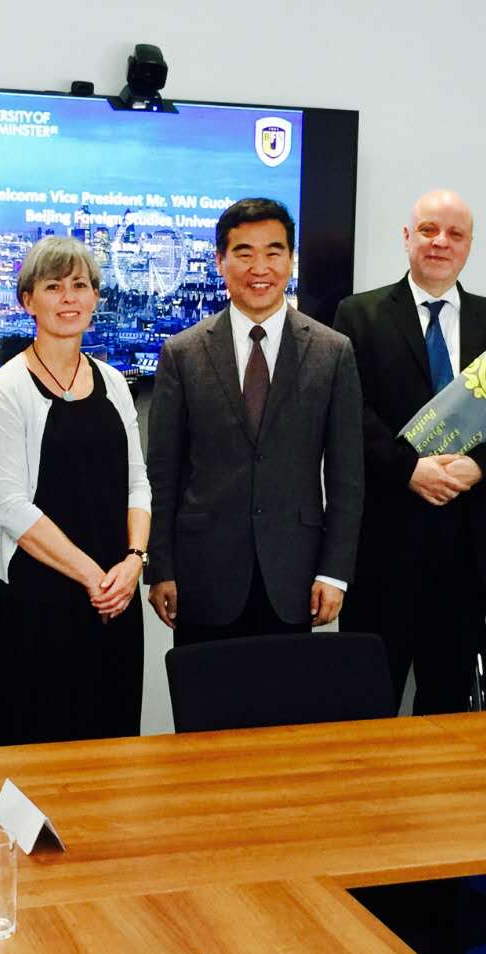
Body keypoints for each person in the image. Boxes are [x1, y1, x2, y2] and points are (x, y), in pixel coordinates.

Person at [333, 189, 486, 715]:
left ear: (470, 245)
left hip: (467, 554)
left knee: (448, 708)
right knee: (365, 706)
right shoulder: (357, 316)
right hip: (383, 547)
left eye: (455, 234)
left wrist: (478, 468)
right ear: (407, 237)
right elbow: (347, 415)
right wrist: (409, 469)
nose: (440, 242)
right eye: (428, 230)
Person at [147, 198, 363, 645]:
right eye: (244, 253)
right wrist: (161, 567)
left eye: (273, 252)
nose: (259, 268)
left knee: (286, 692)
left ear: (291, 259)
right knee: (204, 691)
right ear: (220, 261)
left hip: (295, 576)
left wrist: (334, 572)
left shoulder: (333, 352)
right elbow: (163, 473)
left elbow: (347, 477)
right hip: (203, 575)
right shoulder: (182, 353)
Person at [0, 237, 150, 745]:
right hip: (39, 600)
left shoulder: (114, 382)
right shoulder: (5, 389)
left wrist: (134, 561)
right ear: (27, 300)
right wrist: (94, 577)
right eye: (53, 287)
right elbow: (12, 506)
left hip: (115, 598)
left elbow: (138, 482)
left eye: (80, 285)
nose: (69, 297)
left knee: (112, 744)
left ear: (96, 297)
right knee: (32, 748)